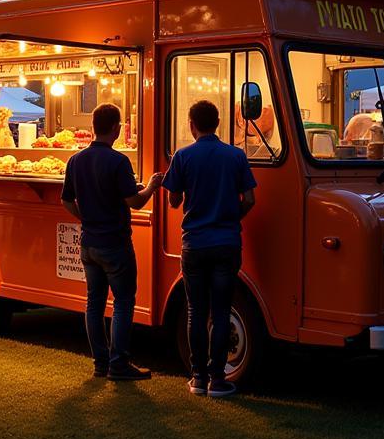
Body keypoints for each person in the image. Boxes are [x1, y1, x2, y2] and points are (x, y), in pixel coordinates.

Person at [163, 100, 257, 399]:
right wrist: (231, 217)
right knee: (220, 311)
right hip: (227, 242)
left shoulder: (183, 156)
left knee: (195, 311)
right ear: (218, 123)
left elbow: (174, 200)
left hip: (195, 243)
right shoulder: (236, 156)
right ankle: (218, 378)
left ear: (191, 125)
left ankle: (198, 378)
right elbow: (250, 199)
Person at [61, 103, 162, 380]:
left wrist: (86, 217)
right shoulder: (119, 161)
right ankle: (118, 363)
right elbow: (135, 202)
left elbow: (66, 200)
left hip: (88, 243)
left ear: (93, 126)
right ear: (117, 128)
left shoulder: (76, 160)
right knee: (123, 301)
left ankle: (100, 363)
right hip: (115, 243)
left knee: (94, 303)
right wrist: (152, 186)